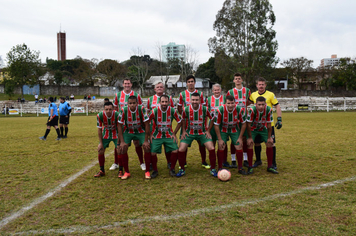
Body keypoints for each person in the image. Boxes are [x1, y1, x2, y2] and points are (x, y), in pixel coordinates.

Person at [176, 92, 217, 177]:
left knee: (211, 147)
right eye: (193, 100)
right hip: (189, 133)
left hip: (202, 133)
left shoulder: (205, 109)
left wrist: (208, 130)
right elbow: (182, 120)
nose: (195, 101)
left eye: (197, 100)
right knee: (181, 149)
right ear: (190, 100)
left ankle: (213, 169)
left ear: (200, 100)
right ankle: (182, 169)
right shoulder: (186, 109)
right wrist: (183, 131)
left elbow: (212, 118)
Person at [249, 77, 282, 169]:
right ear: (256, 85)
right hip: (256, 125)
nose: (261, 86)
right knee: (257, 143)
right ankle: (258, 160)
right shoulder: (253, 95)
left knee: (271, 142)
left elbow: (277, 106)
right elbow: (247, 103)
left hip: (268, 125)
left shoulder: (271, 94)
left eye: (263, 84)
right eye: (259, 84)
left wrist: (279, 118)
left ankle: (273, 163)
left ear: (265, 85)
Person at [177, 75, 210, 169]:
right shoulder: (182, 94)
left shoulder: (200, 94)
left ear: (195, 83)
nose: (190, 83)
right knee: (185, 143)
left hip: (199, 123)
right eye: (189, 82)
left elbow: (204, 109)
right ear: (186, 83)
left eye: (192, 81)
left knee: (201, 143)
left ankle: (203, 161)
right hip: (188, 124)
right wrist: (185, 116)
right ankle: (184, 162)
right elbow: (179, 107)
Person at [113, 78, 145, 171]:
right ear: (123, 84)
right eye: (125, 83)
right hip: (122, 123)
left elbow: (141, 107)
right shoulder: (117, 95)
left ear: (131, 84)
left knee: (137, 142)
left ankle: (142, 163)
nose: (127, 85)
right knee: (118, 143)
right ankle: (116, 163)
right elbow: (115, 109)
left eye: (129, 83)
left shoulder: (136, 95)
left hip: (134, 122)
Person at [117, 96, 150, 180]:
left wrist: (146, 140)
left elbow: (146, 124)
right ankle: (127, 172)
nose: (132, 105)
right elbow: (119, 125)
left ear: (137, 103)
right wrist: (122, 141)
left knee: (146, 147)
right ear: (127, 104)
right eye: (130, 103)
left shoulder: (141, 109)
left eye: (134, 103)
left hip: (140, 131)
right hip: (128, 131)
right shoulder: (123, 110)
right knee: (123, 148)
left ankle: (147, 171)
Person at [149, 95, 182, 178]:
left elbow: (180, 121)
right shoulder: (154, 111)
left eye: (166, 102)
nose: (164, 103)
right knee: (152, 152)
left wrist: (174, 133)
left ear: (169, 102)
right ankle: (155, 170)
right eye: (162, 102)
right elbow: (146, 121)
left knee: (175, 150)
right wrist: (150, 134)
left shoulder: (172, 111)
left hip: (169, 135)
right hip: (157, 135)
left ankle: (172, 169)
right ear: (159, 102)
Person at [214, 95, 249, 175]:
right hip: (223, 129)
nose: (230, 105)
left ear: (235, 103)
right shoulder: (220, 110)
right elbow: (216, 125)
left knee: (239, 145)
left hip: (234, 129)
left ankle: (240, 167)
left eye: (232, 103)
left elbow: (244, 124)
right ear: (225, 103)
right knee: (221, 146)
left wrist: (240, 138)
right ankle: (220, 167)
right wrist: (219, 139)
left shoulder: (239, 109)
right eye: (228, 103)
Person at [246, 96, 278, 174]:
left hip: (263, 129)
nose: (261, 106)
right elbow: (248, 125)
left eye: (262, 104)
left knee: (270, 143)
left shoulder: (268, 110)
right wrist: (250, 137)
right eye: (259, 104)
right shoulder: (252, 110)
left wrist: (269, 137)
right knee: (249, 144)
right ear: (256, 104)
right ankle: (250, 166)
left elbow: (269, 125)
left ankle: (270, 166)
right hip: (253, 129)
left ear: (265, 104)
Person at [147, 82, 175, 169]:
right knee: (152, 145)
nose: (159, 88)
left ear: (164, 89)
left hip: (166, 126)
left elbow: (172, 111)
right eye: (157, 87)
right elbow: (148, 112)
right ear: (154, 89)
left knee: (168, 145)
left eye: (161, 87)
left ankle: (169, 162)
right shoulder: (150, 99)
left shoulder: (169, 98)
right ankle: (152, 164)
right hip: (154, 126)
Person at [226, 73, 251, 168]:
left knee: (244, 139)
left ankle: (245, 159)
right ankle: (233, 160)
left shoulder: (247, 90)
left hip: (244, 117)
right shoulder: (230, 91)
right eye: (236, 78)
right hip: (234, 119)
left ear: (242, 80)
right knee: (234, 139)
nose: (237, 80)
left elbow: (249, 101)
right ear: (233, 80)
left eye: (239, 78)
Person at [94, 102, 121, 177]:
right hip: (105, 134)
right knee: (100, 150)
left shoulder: (117, 115)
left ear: (113, 109)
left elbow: (120, 128)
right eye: (106, 109)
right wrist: (100, 143)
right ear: (104, 109)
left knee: (119, 150)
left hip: (116, 134)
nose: (108, 111)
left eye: (110, 109)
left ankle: (120, 170)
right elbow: (99, 129)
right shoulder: (100, 115)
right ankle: (102, 170)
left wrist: (120, 141)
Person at [206, 84, 227, 166]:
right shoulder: (209, 99)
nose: (217, 91)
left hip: (222, 124)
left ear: (220, 90)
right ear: (212, 91)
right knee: (212, 143)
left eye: (218, 90)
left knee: (223, 142)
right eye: (215, 90)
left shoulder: (224, 98)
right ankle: (213, 161)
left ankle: (224, 161)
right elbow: (206, 112)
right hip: (212, 124)